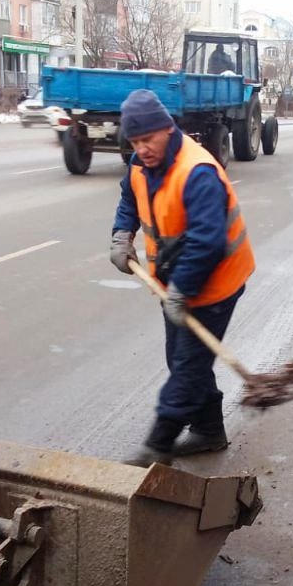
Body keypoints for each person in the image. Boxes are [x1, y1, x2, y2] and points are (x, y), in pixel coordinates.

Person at [108, 89, 255, 466]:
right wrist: (122, 235)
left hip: (217, 282)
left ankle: (157, 446)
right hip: (174, 279)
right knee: (183, 358)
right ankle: (208, 430)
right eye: (135, 141)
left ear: (167, 129)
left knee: (188, 365)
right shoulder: (140, 165)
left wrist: (181, 291)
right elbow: (129, 200)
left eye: (148, 139)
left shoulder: (197, 172)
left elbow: (208, 243)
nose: (142, 148)